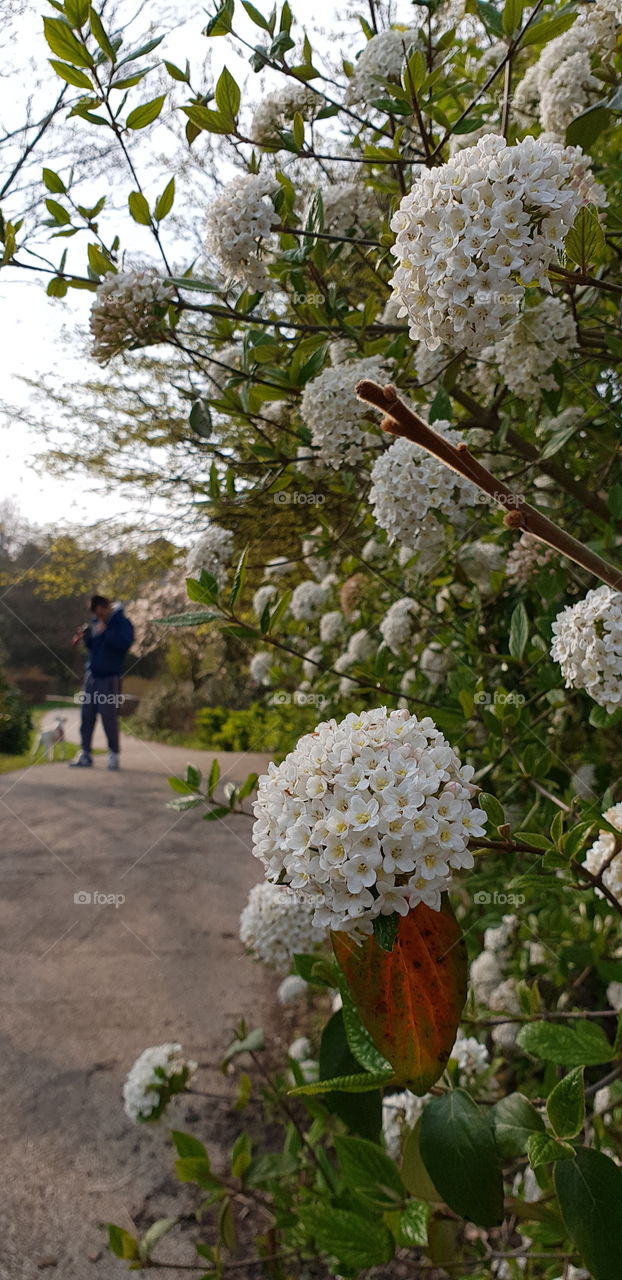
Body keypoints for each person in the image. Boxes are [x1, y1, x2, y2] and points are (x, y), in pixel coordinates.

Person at [70, 594, 134, 771]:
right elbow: (95, 648)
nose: (99, 617)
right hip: (92, 676)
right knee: (86, 716)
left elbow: (124, 644)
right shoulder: (97, 622)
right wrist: (88, 638)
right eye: (96, 615)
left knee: (109, 718)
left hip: (109, 678)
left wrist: (107, 632)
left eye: (101, 613)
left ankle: (113, 756)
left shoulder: (122, 623)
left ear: (107, 607)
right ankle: (85, 754)